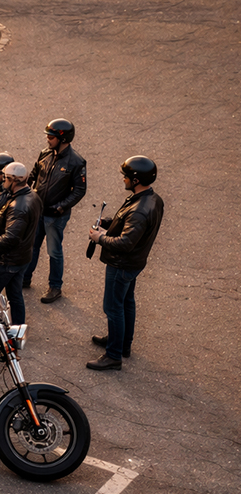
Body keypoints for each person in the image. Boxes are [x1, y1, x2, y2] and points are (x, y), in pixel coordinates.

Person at [85, 156, 164, 371]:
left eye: (126, 177)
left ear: (136, 180)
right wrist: (109, 224)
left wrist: (100, 238)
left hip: (122, 264)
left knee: (113, 307)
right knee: (127, 301)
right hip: (134, 263)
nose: (123, 180)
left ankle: (113, 355)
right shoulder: (151, 199)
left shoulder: (139, 209)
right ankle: (122, 344)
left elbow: (126, 242)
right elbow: (131, 228)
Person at [23, 118, 87, 304]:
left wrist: (60, 207)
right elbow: (35, 173)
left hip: (55, 216)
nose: (47, 139)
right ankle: (25, 279)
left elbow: (80, 191)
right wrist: (26, 191)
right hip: (38, 210)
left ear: (63, 138)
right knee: (32, 246)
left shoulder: (76, 162)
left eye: (51, 136)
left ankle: (55, 287)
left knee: (54, 251)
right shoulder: (45, 153)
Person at [0, 162, 41, 325]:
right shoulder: (33, 197)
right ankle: (18, 329)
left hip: (6, 261)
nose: (2, 181)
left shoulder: (18, 206)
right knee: (15, 295)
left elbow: (10, 238)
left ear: (13, 180)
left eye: (5, 178)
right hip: (22, 258)